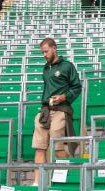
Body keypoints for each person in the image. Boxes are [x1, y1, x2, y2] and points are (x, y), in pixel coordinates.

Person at [33, 37, 81, 172]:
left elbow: (77, 87)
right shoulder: (46, 68)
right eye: (42, 52)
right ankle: (37, 183)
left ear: (54, 48)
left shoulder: (67, 66)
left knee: (57, 148)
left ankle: (70, 174)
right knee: (39, 147)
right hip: (45, 111)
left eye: (46, 51)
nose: (44, 55)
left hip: (61, 110)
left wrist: (63, 97)